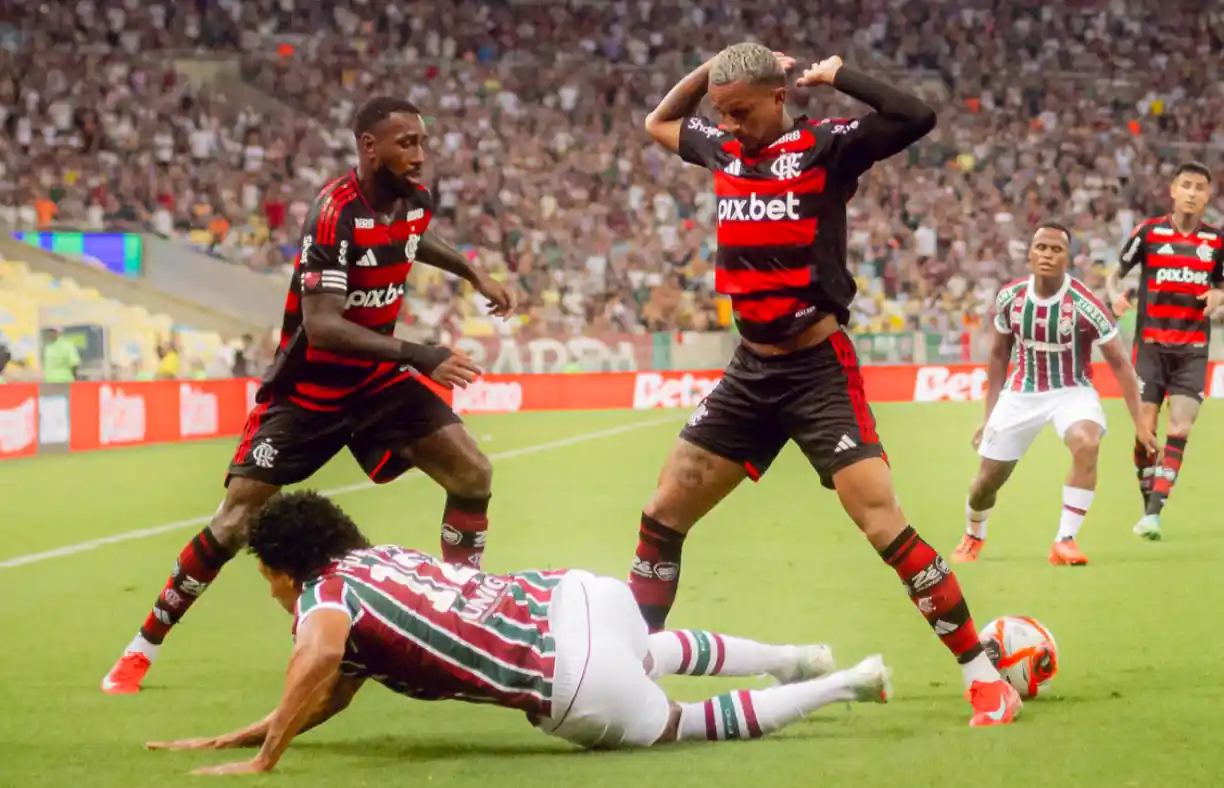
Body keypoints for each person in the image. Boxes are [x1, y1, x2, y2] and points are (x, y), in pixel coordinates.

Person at [629, 42, 1022, 727]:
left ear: (779, 97)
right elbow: (659, 122)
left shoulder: (827, 147)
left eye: (741, 111)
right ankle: (628, 670)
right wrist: (711, 69)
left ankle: (982, 674)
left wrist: (841, 76)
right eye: (721, 113)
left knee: (880, 520)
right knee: (663, 514)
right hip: (749, 372)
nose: (728, 125)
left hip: (816, 369)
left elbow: (916, 114)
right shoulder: (724, 148)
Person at [101, 96, 516, 695]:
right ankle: (141, 650)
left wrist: (474, 273)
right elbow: (323, 327)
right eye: (407, 144)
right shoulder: (332, 213)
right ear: (369, 148)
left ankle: (455, 615)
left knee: (473, 473)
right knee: (235, 522)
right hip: (309, 392)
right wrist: (423, 355)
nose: (420, 155)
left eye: (422, 142)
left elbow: (412, 238)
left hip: (374, 384)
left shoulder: (413, 200)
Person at [144, 491, 893, 775]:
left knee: (680, 723)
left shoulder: (325, 595)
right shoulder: (382, 561)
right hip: (582, 595)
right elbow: (329, 691)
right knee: (660, 649)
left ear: (285, 568)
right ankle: (801, 656)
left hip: (567, 678)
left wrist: (265, 762)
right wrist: (244, 734)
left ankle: (849, 681)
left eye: (268, 578)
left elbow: (323, 653)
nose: (275, 593)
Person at [951, 224, 1156, 566]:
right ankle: (974, 534)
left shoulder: (1086, 306)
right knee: (986, 482)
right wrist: (988, 418)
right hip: (1022, 393)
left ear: (1068, 258)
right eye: (1041, 248)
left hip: (1072, 390)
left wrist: (1141, 425)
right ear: (1030, 254)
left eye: (1056, 249)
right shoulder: (1010, 298)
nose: (1047, 254)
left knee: (1087, 442)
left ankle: (1065, 540)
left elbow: (1120, 364)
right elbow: (1000, 356)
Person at [1106, 162, 1224, 541]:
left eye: (1199, 187)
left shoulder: (1217, 242)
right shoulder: (1149, 233)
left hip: (1192, 350)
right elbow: (1115, 274)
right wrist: (1114, 296)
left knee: (1181, 428)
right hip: (1151, 350)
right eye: (1185, 185)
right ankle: (1149, 504)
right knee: (1145, 435)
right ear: (1173, 189)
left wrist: (1220, 295)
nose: (1191, 192)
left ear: (1208, 196)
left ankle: (1154, 514)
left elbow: (1222, 287)